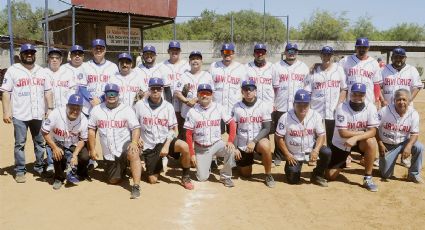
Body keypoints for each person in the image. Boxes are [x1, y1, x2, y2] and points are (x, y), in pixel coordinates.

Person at [1, 43, 54, 183]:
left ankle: (39, 166)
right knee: (20, 143)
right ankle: (20, 170)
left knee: (40, 143)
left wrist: (50, 108)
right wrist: (6, 112)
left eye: (31, 52)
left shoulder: (42, 71)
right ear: (21, 55)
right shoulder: (13, 70)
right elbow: (6, 92)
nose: (29, 55)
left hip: (38, 114)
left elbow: (48, 91)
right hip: (20, 114)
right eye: (26, 53)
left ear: (34, 54)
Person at [134, 78, 194, 190]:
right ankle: (157, 163)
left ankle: (185, 176)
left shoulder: (168, 106)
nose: (155, 91)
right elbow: (135, 125)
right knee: (152, 180)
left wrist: (167, 145)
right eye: (153, 88)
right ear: (149, 89)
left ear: (162, 89)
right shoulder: (140, 105)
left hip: (165, 140)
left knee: (184, 146)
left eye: (158, 88)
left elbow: (174, 129)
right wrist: (139, 138)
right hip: (149, 144)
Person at [88, 83, 142, 199]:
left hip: (124, 146)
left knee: (134, 152)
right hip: (110, 152)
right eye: (109, 93)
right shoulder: (97, 110)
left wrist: (134, 142)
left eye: (114, 93)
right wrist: (92, 149)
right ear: (105, 95)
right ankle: (122, 167)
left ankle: (136, 186)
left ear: (118, 95)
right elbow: (92, 130)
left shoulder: (126, 109)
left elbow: (136, 128)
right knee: (113, 180)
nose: (111, 96)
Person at [327, 83, 379, 192]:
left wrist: (355, 138)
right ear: (350, 94)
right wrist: (361, 133)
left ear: (365, 95)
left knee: (371, 141)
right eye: (355, 94)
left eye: (361, 95)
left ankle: (368, 177)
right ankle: (343, 160)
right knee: (330, 176)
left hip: (358, 142)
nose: (358, 98)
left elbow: (373, 131)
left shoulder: (371, 107)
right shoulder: (342, 107)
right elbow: (343, 133)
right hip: (341, 143)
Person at [275, 89, 332, 186]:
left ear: (309, 104)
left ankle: (317, 175)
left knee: (326, 152)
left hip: (310, 148)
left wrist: (316, 150)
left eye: (305, 105)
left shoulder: (315, 115)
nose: (302, 108)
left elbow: (321, 135)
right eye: (299, 105)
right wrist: (287, 154)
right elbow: (278, 137)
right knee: (293, 180)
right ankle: (292, 167)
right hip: (294, 153)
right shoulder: (285, 117)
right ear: (294, 104)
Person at [184, 84, 237, 187]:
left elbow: (232, 123)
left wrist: (230, 141)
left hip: (217, 144)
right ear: (198, 95)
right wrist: (192, 154)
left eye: (207, 93)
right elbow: (188, 135)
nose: (204, 96)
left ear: (212, 95)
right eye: (202, 93)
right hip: (201, 148)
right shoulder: (192, 111)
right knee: (202, 178)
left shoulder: (219, 107)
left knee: (231, 149)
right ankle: (206, 163)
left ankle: (225, 177)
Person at [41, 94, 90, 189]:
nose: (75, 111)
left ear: (81, 109)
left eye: (78, 109)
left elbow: (83, 140)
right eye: (72, 107)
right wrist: (54, 147)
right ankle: (58, 178)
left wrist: (75, 155)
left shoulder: (83, 119)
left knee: (84, 156)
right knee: (57, 155)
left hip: (73, 143)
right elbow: (44, 131)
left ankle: (79, 173)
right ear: (67, 106)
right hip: (58, 141)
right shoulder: (56, 113)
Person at [232, 80, 275, 188]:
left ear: (255, 91)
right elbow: (233, 129)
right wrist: (235, 147)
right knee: (246, 174)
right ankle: (238, 163)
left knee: (266, 146)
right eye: (245, 89)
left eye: (251, 89)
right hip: (243, 142)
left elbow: (267, 128)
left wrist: (254, 141)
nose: (248, 91)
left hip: (258, 140)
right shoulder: (237, 107)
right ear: (242, 91)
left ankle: (268, 174)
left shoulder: (263, 105)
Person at [272, 43, 309, 166]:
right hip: (281, 104)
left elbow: (307, 87)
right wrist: (273, 102)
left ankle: (301, 153)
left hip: (298, 105)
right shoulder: (277, 66)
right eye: (289, 50)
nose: (291, 53)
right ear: (285, 52)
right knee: (279, 131)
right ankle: (277, 155)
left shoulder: (303, 67)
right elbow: (273, 87)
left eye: (294, 50)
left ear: (297, 52)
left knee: (298, 130)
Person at [304, 46, 347, 147]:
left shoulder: (339, 69)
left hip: (333, 108)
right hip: (316, 108)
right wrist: (308, 108)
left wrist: (339, 105)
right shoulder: (313, 71)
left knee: (332, 137)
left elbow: (344, 89)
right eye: (324, 54)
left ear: (332, 56)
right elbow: (307, 91)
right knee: (315, 134)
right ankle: (314, 154)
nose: (326, 56)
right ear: (320, 55)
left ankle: (331, 157)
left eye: (329, 54)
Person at [378, 89, 423, 183]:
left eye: (404, 99)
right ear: (394, 100)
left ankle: (413, 175)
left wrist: (409, 146)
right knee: (386, 175)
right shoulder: (385, 111)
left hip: (403, 143)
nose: (401, 102)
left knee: (419, 147)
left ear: (409, 101)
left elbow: (414, 134)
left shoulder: (413, 113)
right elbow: (374, 128)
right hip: (387, 145)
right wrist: (380, 143)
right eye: (399, 99)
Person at [174, 51, 214, 139]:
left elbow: (212, 93)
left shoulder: (207, 75)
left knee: (202, 139)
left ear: (202, 61)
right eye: (192, 59)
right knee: (186, 139)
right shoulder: (184, 76)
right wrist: (186, 101)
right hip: (187, 114)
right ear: (189, 62)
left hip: (203, 114)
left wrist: (196, 99)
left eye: (197, 59)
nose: (195, 61)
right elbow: (177, 92)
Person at [209, 43, 247, 130]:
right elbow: (209, 87)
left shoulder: (240, 67)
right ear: (221, 54)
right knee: (217, 134)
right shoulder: (214, 66)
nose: (227, 55)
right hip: (217, 108)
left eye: (230, 53)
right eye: (225, 53)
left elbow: (243, 88)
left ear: (233, 54)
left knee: (235, 134)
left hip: (234, 108)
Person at [79, 39, 119, 117]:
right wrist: (91, 99)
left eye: (101, 48)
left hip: (106, 105)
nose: (98, 50)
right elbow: (82, 86)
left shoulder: (113, 66)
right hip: (88, 106)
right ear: (92, 50)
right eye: (96, 48)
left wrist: (100, 99)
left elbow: (115, 89)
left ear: (105, 50)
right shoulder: (85, 66)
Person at [339, 37, 382, 107]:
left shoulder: (374, 62)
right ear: (355, 48)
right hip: (351, 101)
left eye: (364, 47)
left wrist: (377, 99)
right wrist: (318, 64)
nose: (362, 49)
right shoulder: (345, 61)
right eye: (359, 47)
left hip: (368, 101)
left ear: (368, 48)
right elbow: (333, 68)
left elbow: (376, 84)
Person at [245, 43, 274, 111]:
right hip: (251, 107)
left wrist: (274, 104)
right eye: (257, 52)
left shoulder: (272, 67)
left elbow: (276, 88)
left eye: (262, 52)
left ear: (265, 54)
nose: (260, 54)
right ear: (254, 54)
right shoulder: (246, 67)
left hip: (268, 106)